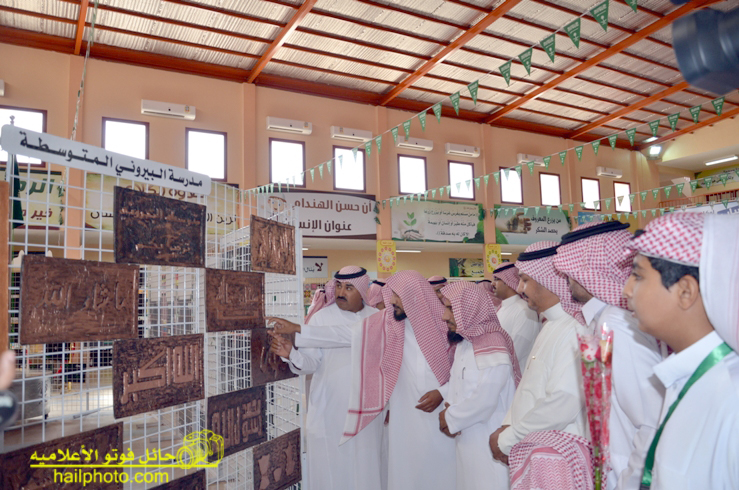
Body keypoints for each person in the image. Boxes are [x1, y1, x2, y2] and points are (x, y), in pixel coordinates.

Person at [623, 213, 739, 489]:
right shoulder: (689, 376)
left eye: (638, 276)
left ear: (686, 291)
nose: (626, 290)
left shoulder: (732, 399)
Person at [554, 220, 664, 490]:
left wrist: (628, 483)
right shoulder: (604, 320)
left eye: (571, 268)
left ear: (590, 269)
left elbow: (651, 421)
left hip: (627, 475)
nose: (567, 277)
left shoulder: (615, 324)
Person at [488, 241, 592, 490]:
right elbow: (530, 385)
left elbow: (562, 402)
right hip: (533, 447)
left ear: (549, 280)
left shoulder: (576, 328)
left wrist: (509, 437)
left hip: (559, 455)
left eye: (525, 280)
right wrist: (509, 424)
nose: (520, 289)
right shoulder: (551, 325)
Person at [269, 266, 381, 490]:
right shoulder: (321, 318)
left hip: (368, 410)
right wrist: (292, 354)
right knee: (332, 468)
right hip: (330, 408)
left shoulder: (376, 318)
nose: (341, 292)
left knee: (365, 466)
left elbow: (351, 336)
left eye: (348, 288)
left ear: (361, 290)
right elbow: (311, 363)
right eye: (338, 286)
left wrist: (299, 330)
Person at [437, 281, 520, 490]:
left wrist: (451, 418)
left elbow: (485, 398)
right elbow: (457, 384)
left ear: (470, 309)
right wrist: (449, 409)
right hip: (467, 440)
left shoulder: (493, 343)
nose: (445, 316)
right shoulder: (466, 342)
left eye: (450, 309)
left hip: (488, 441)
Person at [492, 264, 541, 369]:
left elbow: (517, 351)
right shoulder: (500, 309)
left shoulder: (524, 311)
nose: (492, 283)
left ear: (507, 281)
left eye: (496, 279)